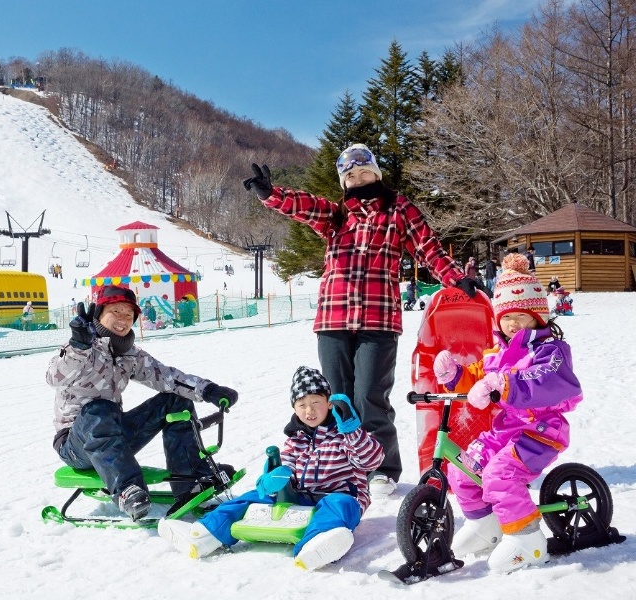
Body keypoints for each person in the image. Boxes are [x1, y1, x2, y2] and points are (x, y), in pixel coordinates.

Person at [243, 144, 477, 497]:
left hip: (378, 318)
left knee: (370, 396)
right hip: (333, 318)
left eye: (363, 171)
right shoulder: (336, 213)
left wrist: (455, 277)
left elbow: (428, 247)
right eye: (350, 175)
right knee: (337, 398)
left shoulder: (399, 209)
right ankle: (340, 464)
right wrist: (270, 194)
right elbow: (303, 206)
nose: (357, 178)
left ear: (376, 173)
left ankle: (382, 466)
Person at [432, 253, 582, 573]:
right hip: (505, 430)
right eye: (506, 316)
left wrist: (505, 383)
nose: (512, 324)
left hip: (540, 431)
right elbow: (480, 383)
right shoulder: (497, 355)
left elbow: (553, 383)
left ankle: (527, 538)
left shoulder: (550, 352)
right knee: (461, 468)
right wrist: (454, 377)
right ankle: (486, 525)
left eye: (521, 316)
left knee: (500, 475)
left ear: (538, 317)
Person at [157, 366, 384, 570]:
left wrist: (353, 431)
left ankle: (317, 544)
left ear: (329, 403)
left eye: (316, 402)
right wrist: (272, 479)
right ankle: (205, 534)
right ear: (294, 408)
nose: (309, 410)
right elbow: (285, 468)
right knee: (248, 498)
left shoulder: (344, 433)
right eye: (302, 405)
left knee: (342, 506)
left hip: (336, 495)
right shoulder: (296, 439)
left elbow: (372, 461)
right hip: (298, 496)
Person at [46, 285, 239, 521]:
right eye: (115, 311)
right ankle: (127, 489)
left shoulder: (130, 355)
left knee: (175, 400)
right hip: (75, 444)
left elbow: (167, 377)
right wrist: (78, 347)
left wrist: (208, 389)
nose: (122, 319)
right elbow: (53, 378)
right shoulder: (83, 349)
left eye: (129, 315)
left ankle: (191, 481)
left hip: (112, 436)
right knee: (100, 409)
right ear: (99, 314)